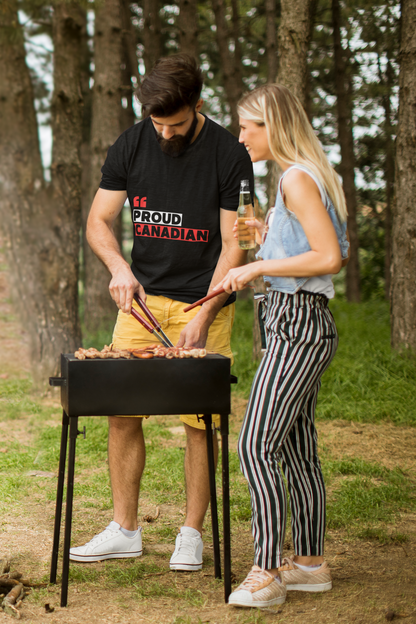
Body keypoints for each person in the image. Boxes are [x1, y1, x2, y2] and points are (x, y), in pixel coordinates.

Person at [69, 55, 253, 571]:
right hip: (143, 303)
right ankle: (125, 529)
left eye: (175, 123)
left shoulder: (229, 154)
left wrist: (209, 309)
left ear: (198, 105)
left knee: (201, 420)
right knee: (122, 410)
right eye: (158, 124)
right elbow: (99, 221)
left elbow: (235, 243)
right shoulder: (130, 143)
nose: (166, 134)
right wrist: (118, 267)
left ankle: (191, 535)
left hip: (204, 300)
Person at [213, 84, 349, 608]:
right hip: (299, 322)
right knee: (295, 449)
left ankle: (267, 571)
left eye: (250, 126)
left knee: (254, 443)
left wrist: (258, 265)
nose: (241, 135)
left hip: (297, 324)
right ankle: (310, 564)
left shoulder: (295, 177)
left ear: (275, 126)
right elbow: (312, 248)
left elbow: (329, 257)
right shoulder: (302, 176)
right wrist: (267, 239)